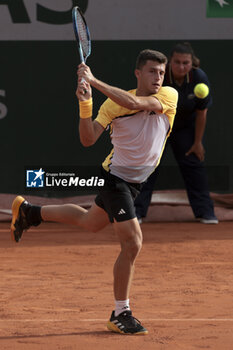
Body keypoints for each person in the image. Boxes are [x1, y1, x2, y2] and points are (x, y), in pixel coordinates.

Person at [10, 49, 178, 335]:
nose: (158, 78)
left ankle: (29, 212)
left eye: (161, 72)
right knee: (133, 242)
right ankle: (120, 312)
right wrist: (86, 104)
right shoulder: (112, 107)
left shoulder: (167, 96)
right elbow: (88, 139)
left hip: (136, 183)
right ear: (138, 73)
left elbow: (135, 102)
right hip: (116, 179)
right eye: (152, 71)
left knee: (90, 222)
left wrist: (94, 81)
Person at [135, 42, 218, 224]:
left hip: (185, 129)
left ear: (192, 63)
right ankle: (136, 212)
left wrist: (197, 142)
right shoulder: (160, 77)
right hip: (159, 125)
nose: (181, 67)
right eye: (177, 62)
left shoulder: (199, 78)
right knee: (148, 166)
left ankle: (205, 213)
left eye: (185, 63)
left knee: (194, 166)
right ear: (170, 62)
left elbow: (201, 113)